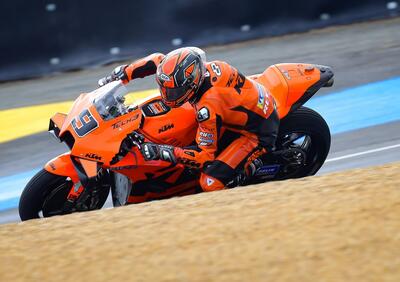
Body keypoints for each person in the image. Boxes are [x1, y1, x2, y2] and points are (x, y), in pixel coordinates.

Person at [99, 47, 279, 192]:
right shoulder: (188, 71)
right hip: (241, 103)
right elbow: (156, 60)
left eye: (174, 91)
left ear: (192, 84)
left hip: (257, 131)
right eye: (164, 88)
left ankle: (252, 168)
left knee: (210, 183)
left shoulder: (207, 107)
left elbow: (204, 157)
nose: (167, 95)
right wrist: (121, 75)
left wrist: (160, 151)